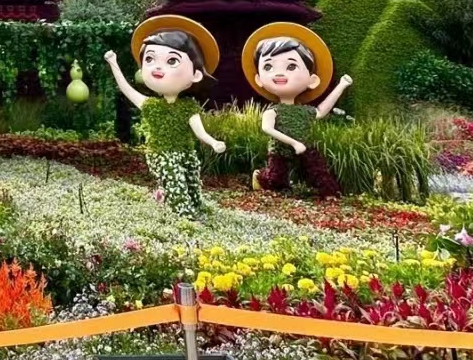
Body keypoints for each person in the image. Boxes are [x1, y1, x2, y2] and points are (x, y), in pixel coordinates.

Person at [103, 14, 226, 218]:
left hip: (186, 153)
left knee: (192, 184)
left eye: (172, 61)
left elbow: (199, 132)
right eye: (149, 59)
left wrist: (213, 142)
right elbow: (126, 88)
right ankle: (183, 218)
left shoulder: (188, 107)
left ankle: (184, 203)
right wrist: (113, 63)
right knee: (176, 185)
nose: (157, 67)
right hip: (161, 153)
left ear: (196, 75)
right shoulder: (150, 105)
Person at [241, 23, 351, 196]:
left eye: (291, 67)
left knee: (319, 172)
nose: (279, 74)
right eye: (268, 67)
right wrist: (293, 143)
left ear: (312, 80)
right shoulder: (273, 111)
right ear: (259, 79)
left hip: (304, 147)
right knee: (276, 179)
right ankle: (260, 177)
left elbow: (321, 112)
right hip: (280, 151)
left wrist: (341, 86)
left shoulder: (304, 111)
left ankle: (331, 195)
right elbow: (267, 128)